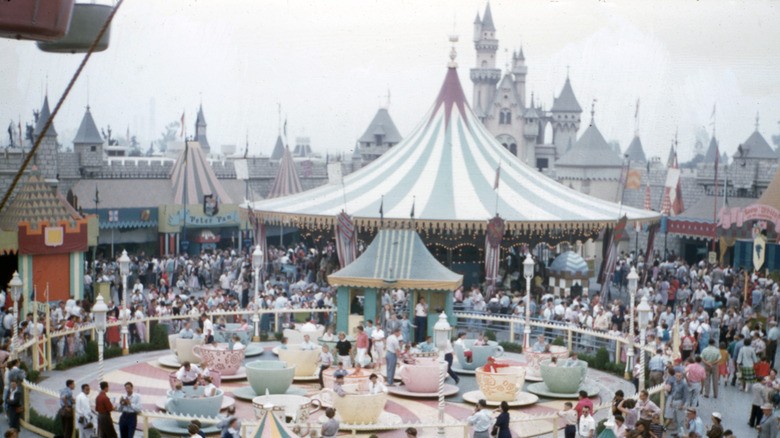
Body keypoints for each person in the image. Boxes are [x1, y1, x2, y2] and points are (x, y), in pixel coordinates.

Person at [667, 370, 689, 434]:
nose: (678, 377)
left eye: (680, 376)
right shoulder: (674, 383)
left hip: (680, 401)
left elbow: (685, 395)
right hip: (674, 401)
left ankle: (681, 432)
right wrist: (671, 401)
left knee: (680, 418)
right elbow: (672, 392)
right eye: (677, 376)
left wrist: (682, 404)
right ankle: (676, 429)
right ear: (675, 376)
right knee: (674, 416)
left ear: (682, 376)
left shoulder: (684, 384)